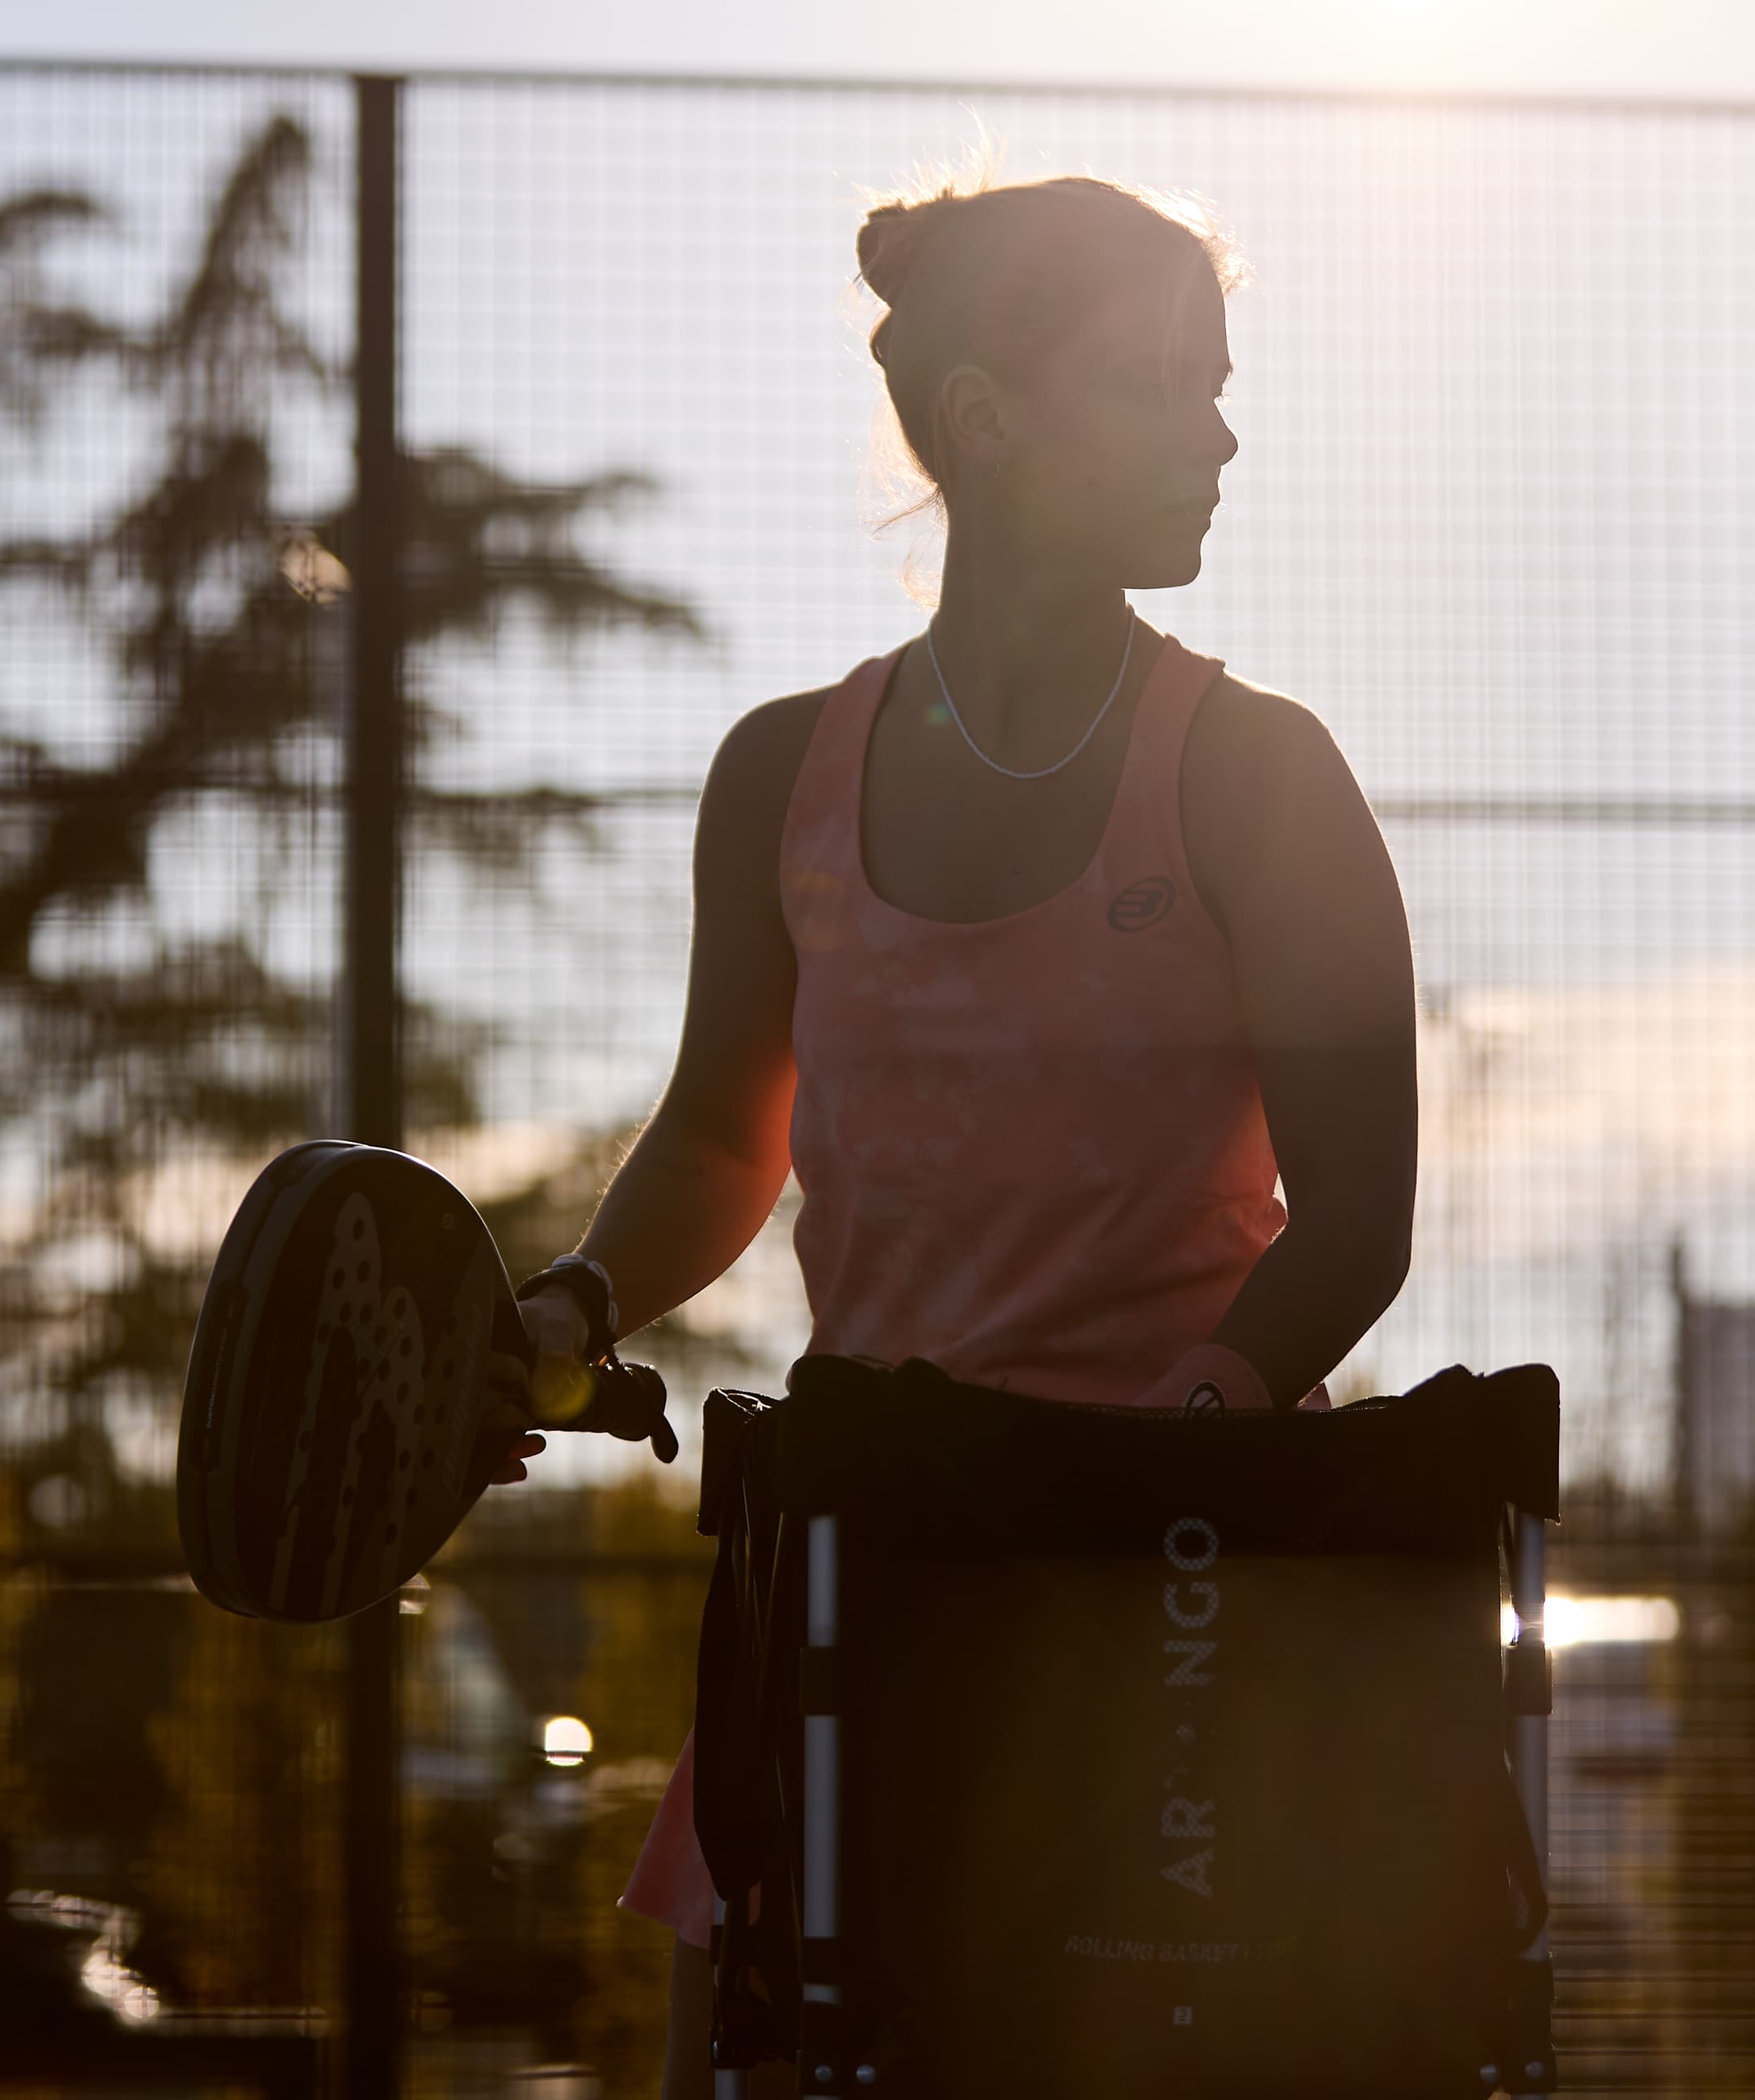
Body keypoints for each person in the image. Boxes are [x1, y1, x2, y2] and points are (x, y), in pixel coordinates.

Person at [480, 166, 1418, 2100]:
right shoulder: (779, 779)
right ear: (988, 416)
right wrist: (571, 1302)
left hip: (1174, 1616)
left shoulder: (1259, 776)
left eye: (1219, 379)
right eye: (1159, 381)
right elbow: (728, 1142)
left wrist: (1151, 1482)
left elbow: (1361, 1222)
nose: (1219, 430)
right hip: (858, 1586)